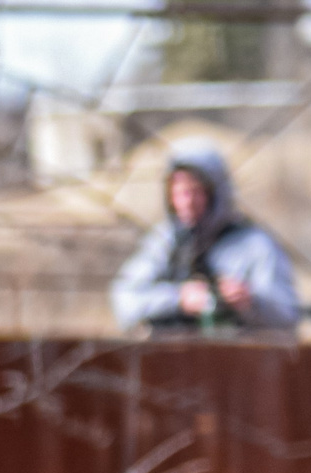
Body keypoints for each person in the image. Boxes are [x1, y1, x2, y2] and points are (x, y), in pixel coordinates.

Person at [110, 140, 300, 334]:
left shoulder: (255, 246)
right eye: (180, 193)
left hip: (238, 358)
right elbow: (125, 302)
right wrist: (179, 298)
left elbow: (289, 317)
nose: (187, 203)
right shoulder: (164, 241)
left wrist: (251, 302)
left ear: (216, 194)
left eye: (196, 192)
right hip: (169, 358)